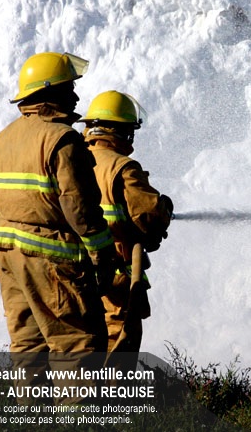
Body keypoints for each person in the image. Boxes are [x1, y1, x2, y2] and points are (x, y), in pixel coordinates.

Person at [0, 52, 119, 402]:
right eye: (68, 88)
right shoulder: (62, 139)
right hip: (51, 259)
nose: (75, 97)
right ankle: (78, 419)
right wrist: (102, 253)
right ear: (50, 92)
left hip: (6, 255)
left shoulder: (3, 138)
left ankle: (30, 417)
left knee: (28, 344)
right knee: (76, 343)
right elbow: (79, 208)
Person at [79, 91, 173, 363]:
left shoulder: (72, 159)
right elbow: (149, 215)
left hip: (74, 271)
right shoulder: (123, 167)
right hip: (115, 276)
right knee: (117, 340)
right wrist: (165, 209)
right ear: (121, 131)